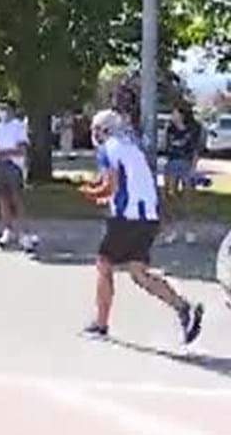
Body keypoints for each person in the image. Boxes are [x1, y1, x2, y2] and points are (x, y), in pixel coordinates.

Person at [80, 110, 204, 343]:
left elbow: (110, 185)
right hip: (147, 217)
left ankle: (101, 323)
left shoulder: (107, 149)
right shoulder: (132, 148)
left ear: (105, 130)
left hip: (128, 218)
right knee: (138, 272)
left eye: (96, 128)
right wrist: (102, 192)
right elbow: (130, 182)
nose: (94, 133)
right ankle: (183, 307)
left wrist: (90, 193)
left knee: (104, 264)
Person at [0, 100, 38, 251]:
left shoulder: (18, 126)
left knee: (16, 199)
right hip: (0, 166)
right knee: (3, 199)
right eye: (0, 108)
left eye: (5, 108)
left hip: (14, 166)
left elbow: (22, 149)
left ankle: (24, 234)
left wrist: (6, 153)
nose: (2, 112)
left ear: (11, 110)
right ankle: (7, 230)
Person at [161, 103, 203, 245]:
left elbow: (196, 150)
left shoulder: (194, 129)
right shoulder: (170, 128)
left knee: (188, 198)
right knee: (169, 195)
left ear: (182, 114)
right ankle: (172, 230)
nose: (172, 116)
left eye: (175, 113)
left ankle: (190, 230)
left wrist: (193, 168)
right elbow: (166, 146)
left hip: (186, 163)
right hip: (172, 163)